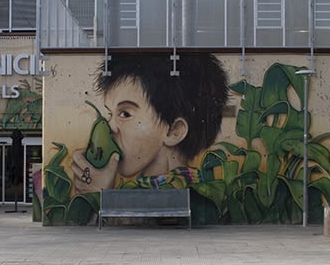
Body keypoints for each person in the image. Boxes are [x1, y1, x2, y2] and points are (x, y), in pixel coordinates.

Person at [72, 53, 229, 192]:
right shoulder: (197, 187)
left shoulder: (190, 197)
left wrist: (98, 197)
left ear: (173, 131)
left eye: (125, 114)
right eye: (109, 114)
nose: (110, 127)